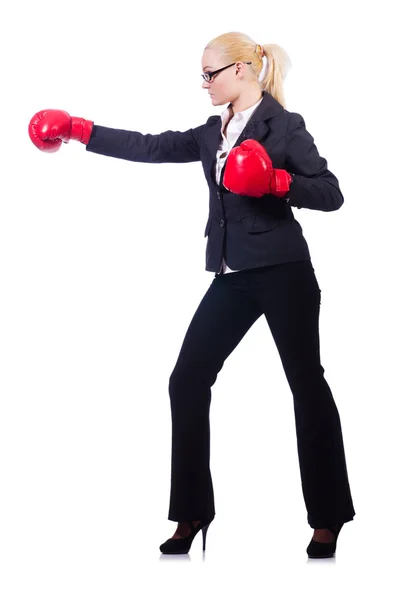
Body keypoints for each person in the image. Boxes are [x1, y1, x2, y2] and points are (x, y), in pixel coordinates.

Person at [28, 31, 356, 558]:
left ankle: (329, 516)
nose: (203, 84)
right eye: (202, 75)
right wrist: (78, 130)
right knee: (187, 380)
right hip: (232, 273)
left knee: (306, 384)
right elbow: (150, 146)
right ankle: (192, 511)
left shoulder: (285, 126)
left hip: (285, 270)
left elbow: (331, 192)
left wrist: (276, 183)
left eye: (210, 74)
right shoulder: (212, 132)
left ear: (242, 70)